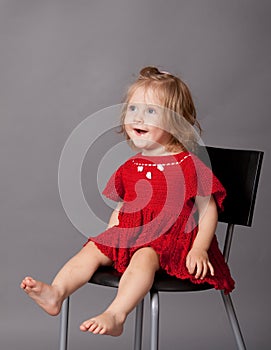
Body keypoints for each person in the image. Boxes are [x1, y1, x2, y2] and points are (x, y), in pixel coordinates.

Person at [21, 66, 235, 337]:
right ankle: (56, 292)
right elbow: (126, 206)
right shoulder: (133, 165)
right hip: (134, 234)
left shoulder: (188, 165)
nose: (138, 117)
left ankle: (116, 314)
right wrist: (111, 238)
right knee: (92, 249)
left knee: (144, 256)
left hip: (173, 244)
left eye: (151, 111)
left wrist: (200, 249)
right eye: (133, 109)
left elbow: (208, 211)